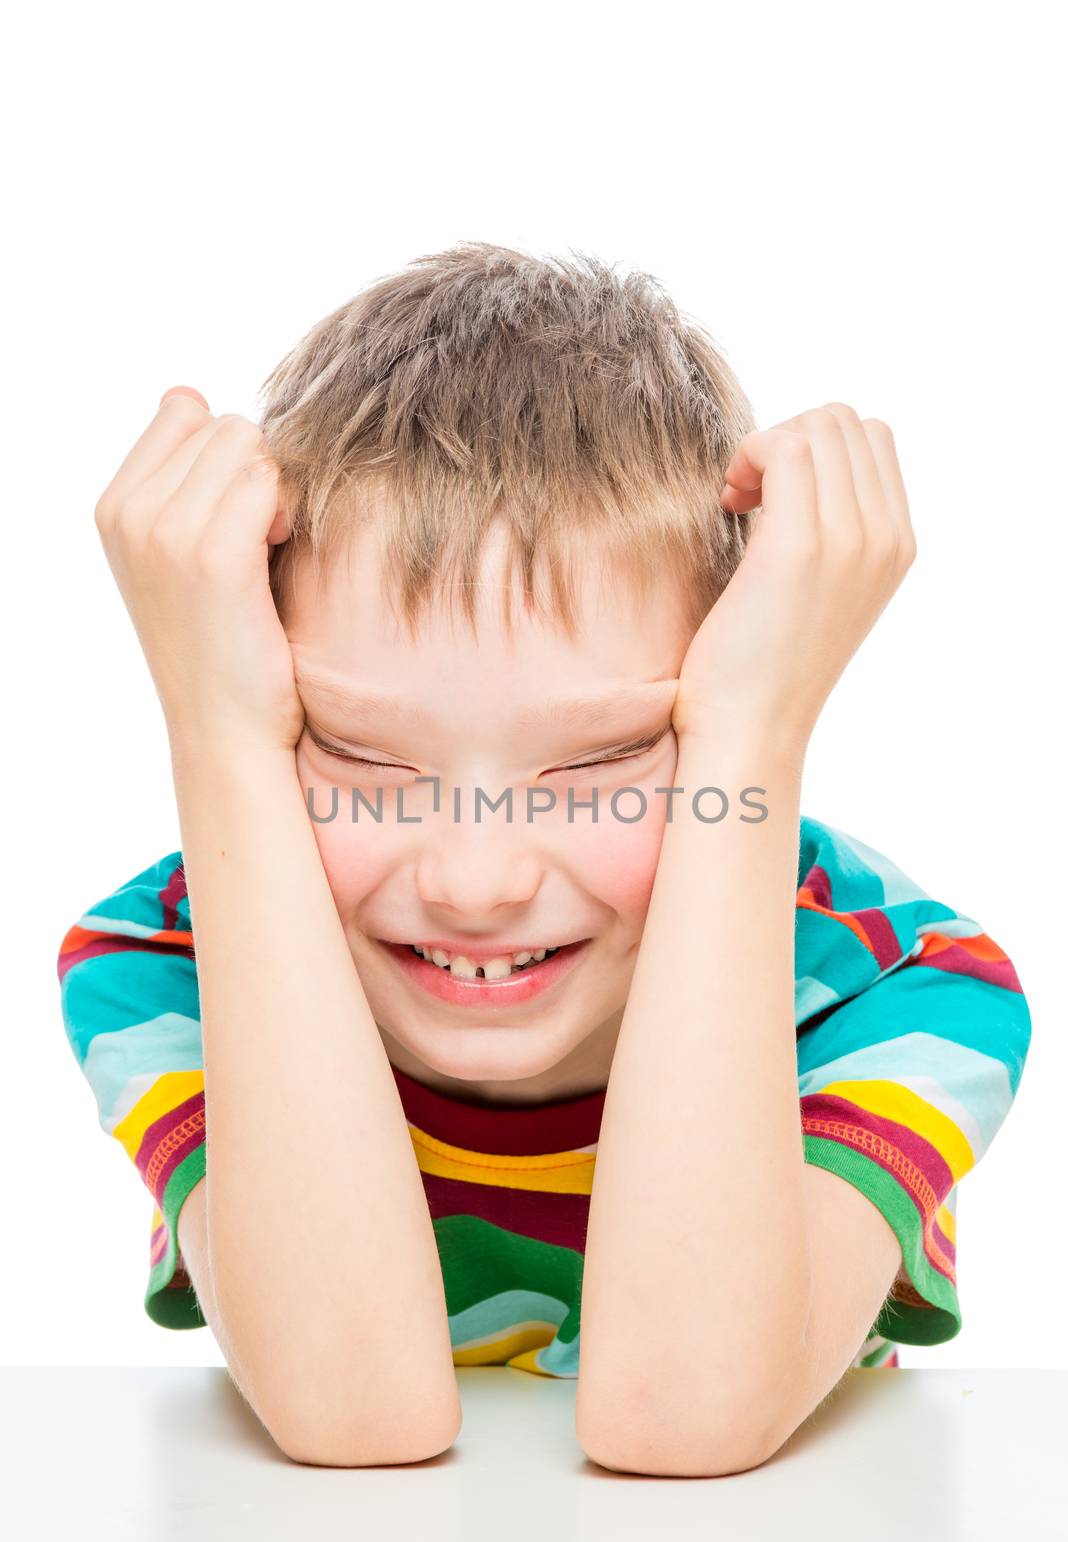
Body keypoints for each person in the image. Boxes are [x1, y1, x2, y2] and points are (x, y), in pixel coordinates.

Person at [56, 242, 1031, 1474]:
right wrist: (211, 726)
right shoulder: (169, 959)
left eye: (603, 756)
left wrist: (754, 731)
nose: (476, 879)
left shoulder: (911, 989)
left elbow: (684, 1418)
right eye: (356, 751)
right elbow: (354, 1419)